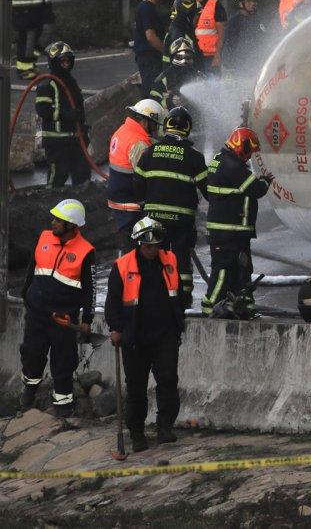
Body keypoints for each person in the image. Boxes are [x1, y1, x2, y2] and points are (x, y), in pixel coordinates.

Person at [104, 217, 186, 451]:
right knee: (137, 388)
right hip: (135, 338)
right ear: (139, 244)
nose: (153, 250)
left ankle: (165, 428)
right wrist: (116, 328)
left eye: (156, 246)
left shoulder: (169, 260)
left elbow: (178, 294)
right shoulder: (122, 266)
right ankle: (137, 433)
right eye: (148, 246)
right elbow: (113, 303)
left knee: (168, 381)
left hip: (165, 334)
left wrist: (179, 321)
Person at [19, 199, 95, 417]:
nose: (52, 223)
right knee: (32, 354)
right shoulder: (43, 237)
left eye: (58, 220)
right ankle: (29, 390)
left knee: (63, 361)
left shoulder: (86, 251)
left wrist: (87, 319)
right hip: (36, 313)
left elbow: (90, 289)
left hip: (63, 319)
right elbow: (31, 269)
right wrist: (26, 294)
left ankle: (63, 404)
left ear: (71, 225)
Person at [134, 107, 208, 307]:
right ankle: (182, 300)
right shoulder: (194, 157)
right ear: (187, 129)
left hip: (154, 219)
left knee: (155, 257)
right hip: (181, 221)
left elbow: (137, 186)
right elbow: (209, 190)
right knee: (181, 260)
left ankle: (154, 296)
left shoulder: (149, 152)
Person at [203, 127, 272, 318]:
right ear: (241, 144)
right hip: (228, 231)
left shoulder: (221, 159)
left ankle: (241, 306)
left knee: (241, 269)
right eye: (249, 151)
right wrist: (266, 181)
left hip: (234, 230)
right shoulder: (232, 164)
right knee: (223, 271)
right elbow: (255, 189)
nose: (249, 157)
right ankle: (211, 307)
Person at [108, 99, 165, 250]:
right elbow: (148, 176)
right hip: (131, 203)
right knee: (135, 244)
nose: (154, 129)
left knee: (127, 241)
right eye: (154, 124)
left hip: (118, 197)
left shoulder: (123, 130)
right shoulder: (138, 143)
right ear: (146, 121)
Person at [36, 41, 89, 187]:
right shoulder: (47, 84)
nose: (66, 64)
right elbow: (42, 110)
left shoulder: (71, 82)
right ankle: (50, 205)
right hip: (57, 142)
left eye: (68, 60)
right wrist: (66, 115)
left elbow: (79, 109)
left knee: (83, 176)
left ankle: (82, 204)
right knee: (57, 177)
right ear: (54, 62)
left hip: (75, 140)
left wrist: (83, 128)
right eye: (62, 60)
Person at [222, 0, 270, 80]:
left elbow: (266, 40)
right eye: (249, 1)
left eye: (255, 1)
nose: (253, 4)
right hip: (240, 69)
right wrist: (230, 68)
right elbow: (228, 46)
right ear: (241, 3)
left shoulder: (259, 19)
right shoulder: (234, 22)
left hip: (258, 67)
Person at [133, 0, 169, 94]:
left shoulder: (149, 7)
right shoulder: (146, 8)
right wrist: (167, 53)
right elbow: (151, 37)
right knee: (152, 90)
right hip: (149, 58)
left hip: (150, 57)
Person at [184, 0, 227, 75]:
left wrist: (217, 56)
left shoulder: (215, 6)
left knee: (212, 87)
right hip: (190, 58)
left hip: (210, 59)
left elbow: (222, 34)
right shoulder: (182, 7)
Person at [149, 38, 206, 110]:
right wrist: (170, 102)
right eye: (180, 57)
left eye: (188, 57)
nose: (184, 60)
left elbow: (207, 98)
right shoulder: (164, 77)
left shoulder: (199, 76)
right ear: (173, 57)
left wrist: (190, 100)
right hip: (170, 116)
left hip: (194, 115)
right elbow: (153, 99)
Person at [161, 0, 201, 66]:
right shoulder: (180, 37)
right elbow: (184, 68)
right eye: (195, 15)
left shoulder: (176, 29)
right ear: (187, 16)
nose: (198, 19)